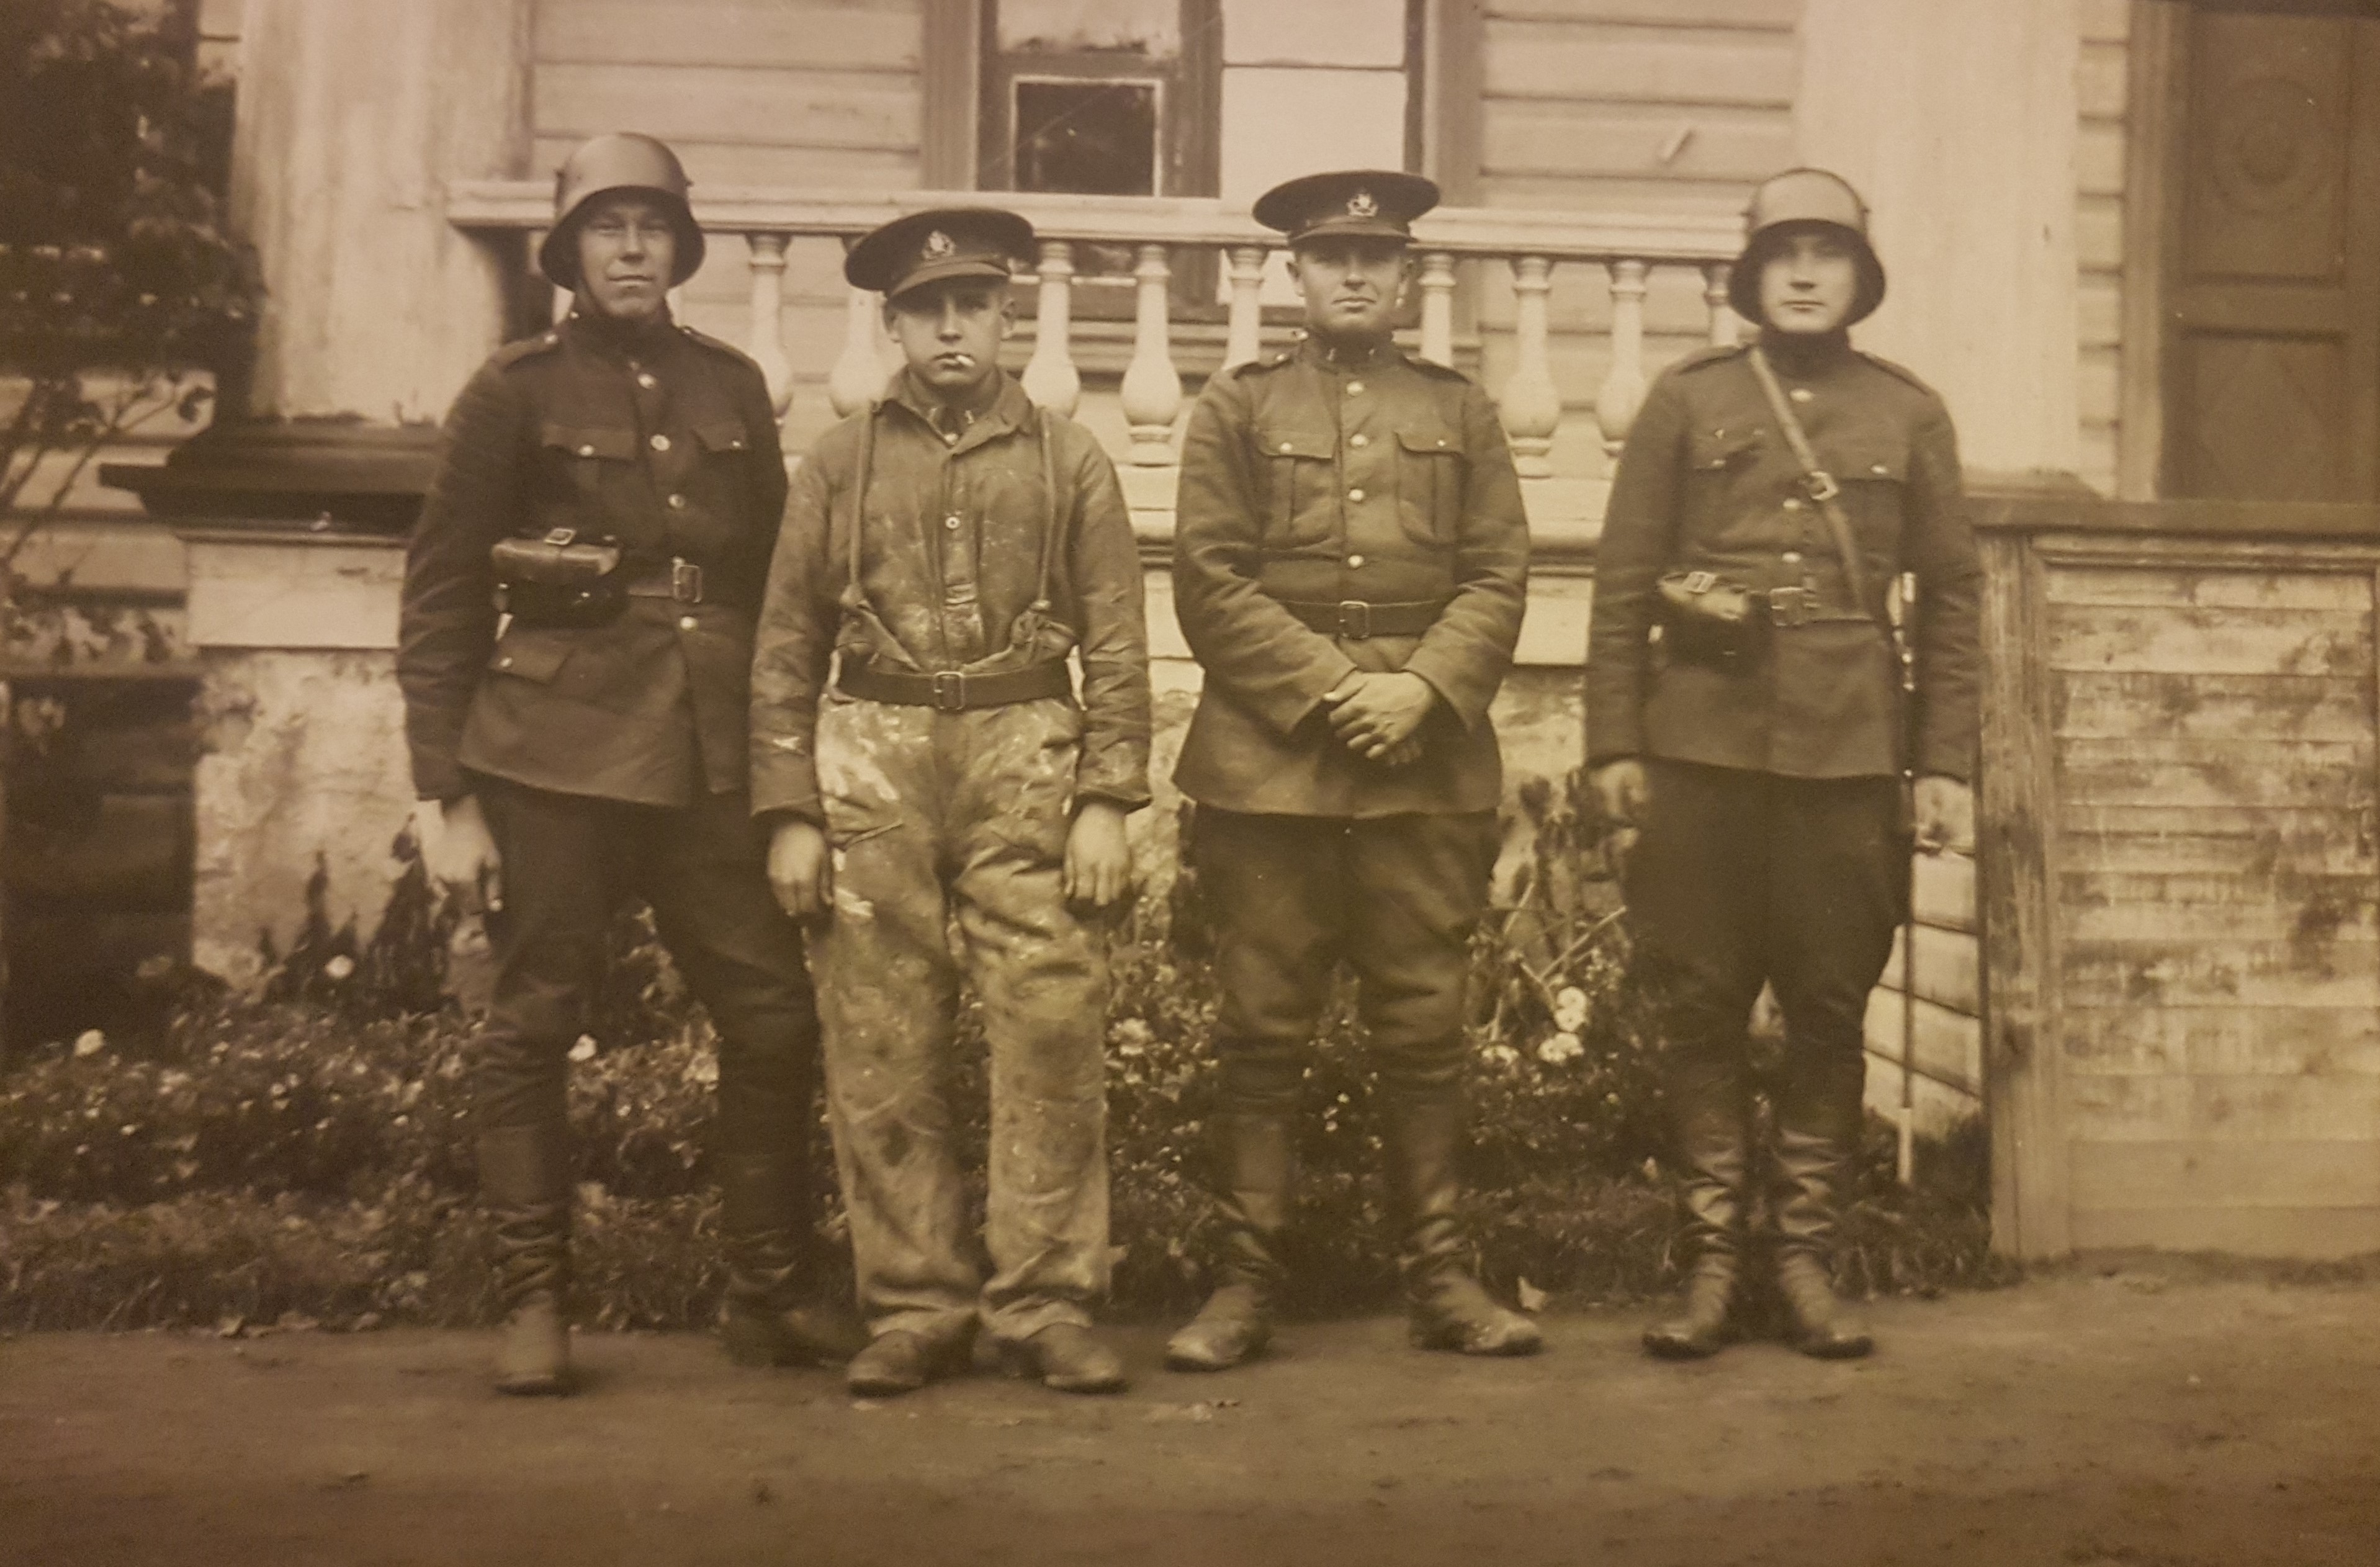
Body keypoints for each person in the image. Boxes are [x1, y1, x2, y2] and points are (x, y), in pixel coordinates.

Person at [400, 132, 857, 1394]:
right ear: (569, 252)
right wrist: (446, 793)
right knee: (535, 1019)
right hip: (552, 752)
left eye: (652, 227)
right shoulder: (513, 390)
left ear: (682, 248)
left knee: (771, 1013)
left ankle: (769, 1290)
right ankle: (535, 1301)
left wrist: (786, 772)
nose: (632, 249)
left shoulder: (731, 384)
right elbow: (443, 593)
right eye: (607, 227)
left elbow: (777, 591)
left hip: (709, 754)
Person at [750, 207, 1152, 1399]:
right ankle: (916, 1304)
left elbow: (1119, 645)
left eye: (973, 304)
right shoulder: (839, 461)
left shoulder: (1070, 458)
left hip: (1027, 756)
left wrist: (1106, 798)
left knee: (1052, 1023)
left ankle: (1046, 1301)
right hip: (872, 760)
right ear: (893, 325)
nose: (952, 327)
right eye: (926, 309)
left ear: (1006, 316)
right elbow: (785, 645)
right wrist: (790, 809)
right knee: (881, 1035)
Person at [1584, 167, 1980, 1362]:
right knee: (1699, 1004)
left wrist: (1942, 762)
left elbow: (1951, 598)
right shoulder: (1687, 399)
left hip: (1848, 753)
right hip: (1700, 746)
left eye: (1829, 254)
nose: (1806, 275)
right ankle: (1713, 1262)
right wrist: (1615, 741)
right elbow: (1622, 583)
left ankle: (1806, 1262)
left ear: (1863, 276)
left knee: (1828, 1006)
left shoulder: (1908, 414)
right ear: (1752, 275)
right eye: (1785, 255)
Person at [1165, 169, 1540, 1372]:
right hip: (1268, 763)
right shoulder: (1236, 406)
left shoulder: (1461, 409)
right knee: (1260, 1029)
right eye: (1331, 256)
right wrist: (1335, 690)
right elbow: (1208, 580)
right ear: (1296, 272)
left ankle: (1440, 1278)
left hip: (1426, 762)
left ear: (1408, 275)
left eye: (1376, 257)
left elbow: (1498, 574)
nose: (1355, 274)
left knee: (1424, 1030)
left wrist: (1422, 689)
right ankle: (1244, 1285)